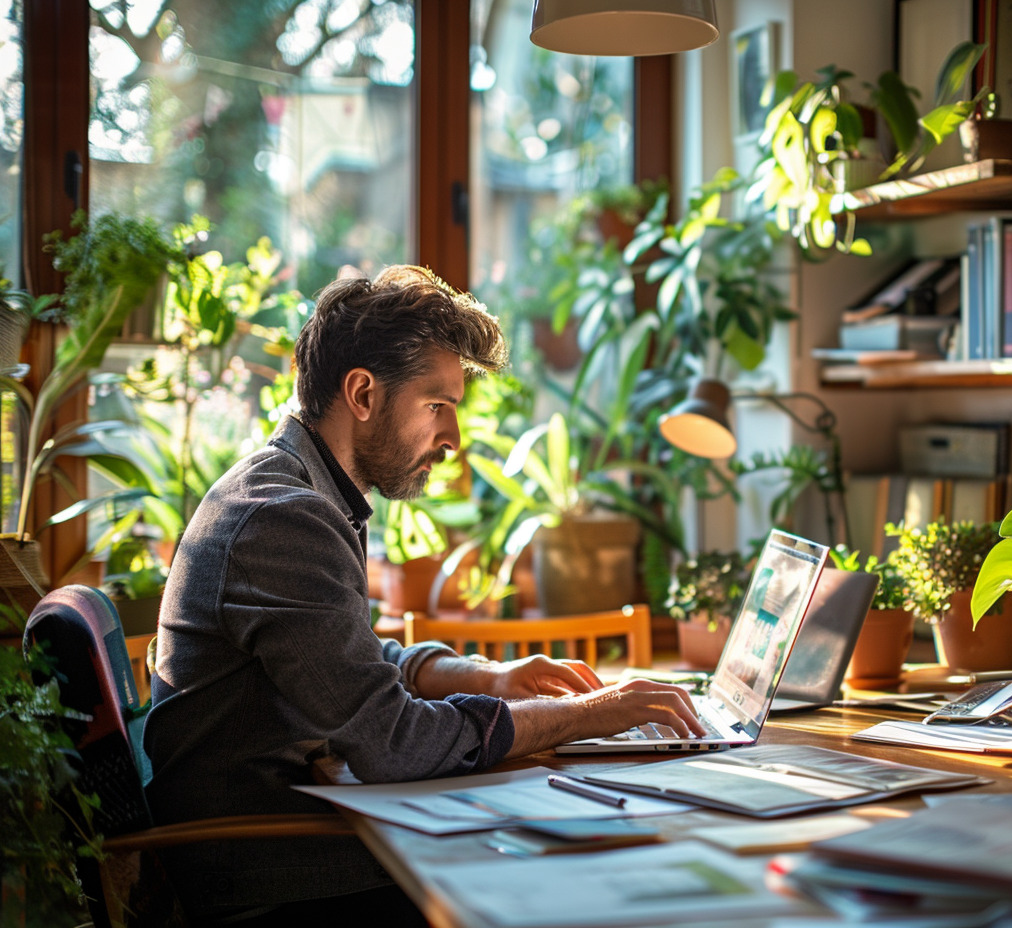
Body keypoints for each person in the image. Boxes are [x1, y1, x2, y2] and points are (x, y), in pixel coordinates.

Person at [143, 265, 704, 926]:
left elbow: (354, 658)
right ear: (362, 394)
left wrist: (489, 676)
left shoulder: (300, 490)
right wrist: (586, 714)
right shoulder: (284, 515)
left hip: (284, 824)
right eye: (437, 406)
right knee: (564, 872)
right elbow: (392, 744)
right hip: (260, 871)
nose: (453, 440)